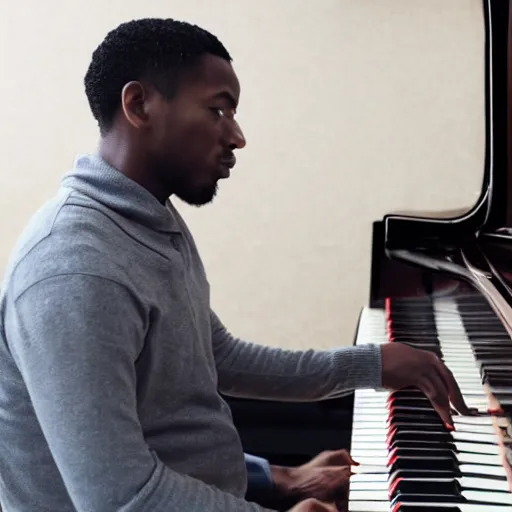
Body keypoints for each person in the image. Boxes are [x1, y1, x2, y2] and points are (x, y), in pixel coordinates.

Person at [0, 17, 472, 512]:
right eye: (218, 110)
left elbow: (213, 359)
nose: (238, 136)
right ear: (139, 105)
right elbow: (122, 498)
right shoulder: (74, 272)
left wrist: (364, 370)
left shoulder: (149, 217)